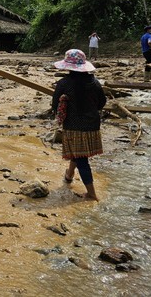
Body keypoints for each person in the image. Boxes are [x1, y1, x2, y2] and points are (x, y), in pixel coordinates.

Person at [51, 49, 106, 201]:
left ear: (68, 66)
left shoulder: (64, 83)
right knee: (79, 153)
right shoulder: (94, 82)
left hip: (74, 125)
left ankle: (92, 194)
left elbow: (54, 105)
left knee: (81, 158)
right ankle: (69, 175)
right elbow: (102, 102)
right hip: (92, 124)